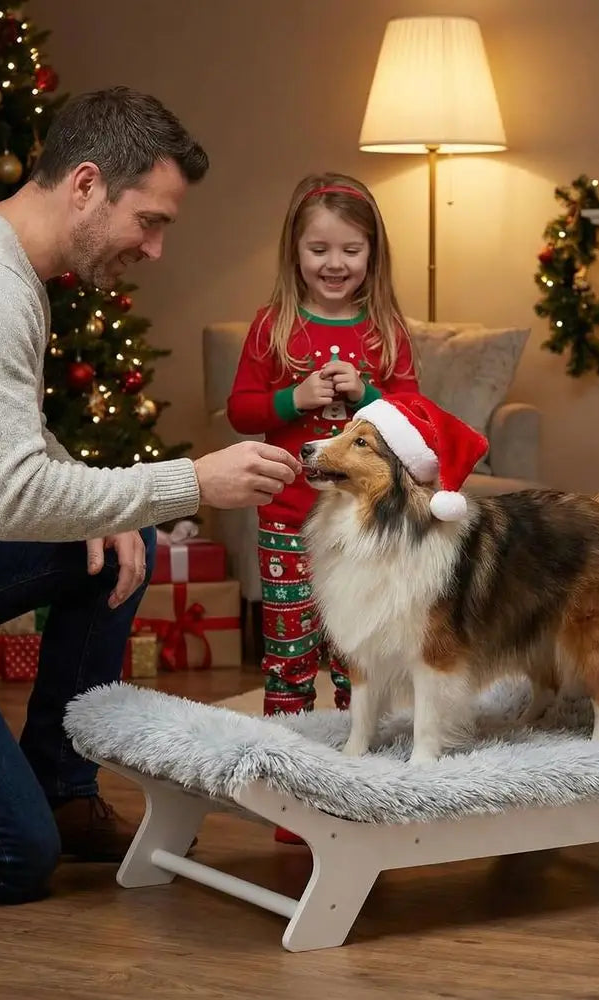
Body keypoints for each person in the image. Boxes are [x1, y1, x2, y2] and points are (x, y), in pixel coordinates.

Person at [0, 86, 301, 904]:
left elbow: (12, 435)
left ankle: (62, 789)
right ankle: (28, 818)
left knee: (114, 550)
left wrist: (122, 510)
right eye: (150, 221)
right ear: (87, 185)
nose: (156, 248)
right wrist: (191, 482)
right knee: (13, 858)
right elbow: (14, 498)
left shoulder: (1, 254)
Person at [227, 172, 418, 718]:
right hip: (286, 517)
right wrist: (295, 398)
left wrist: (367, 395)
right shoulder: (273, 326)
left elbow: (413, 417)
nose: (335, 263)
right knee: (288, 647)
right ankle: (286, 740)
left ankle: (358, 742)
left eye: (351, 250)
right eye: (319, 249)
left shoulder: (386, 330)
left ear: (372, 254)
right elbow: (241, 410)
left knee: (356, 646)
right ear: (295, 250)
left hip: (363, 524)